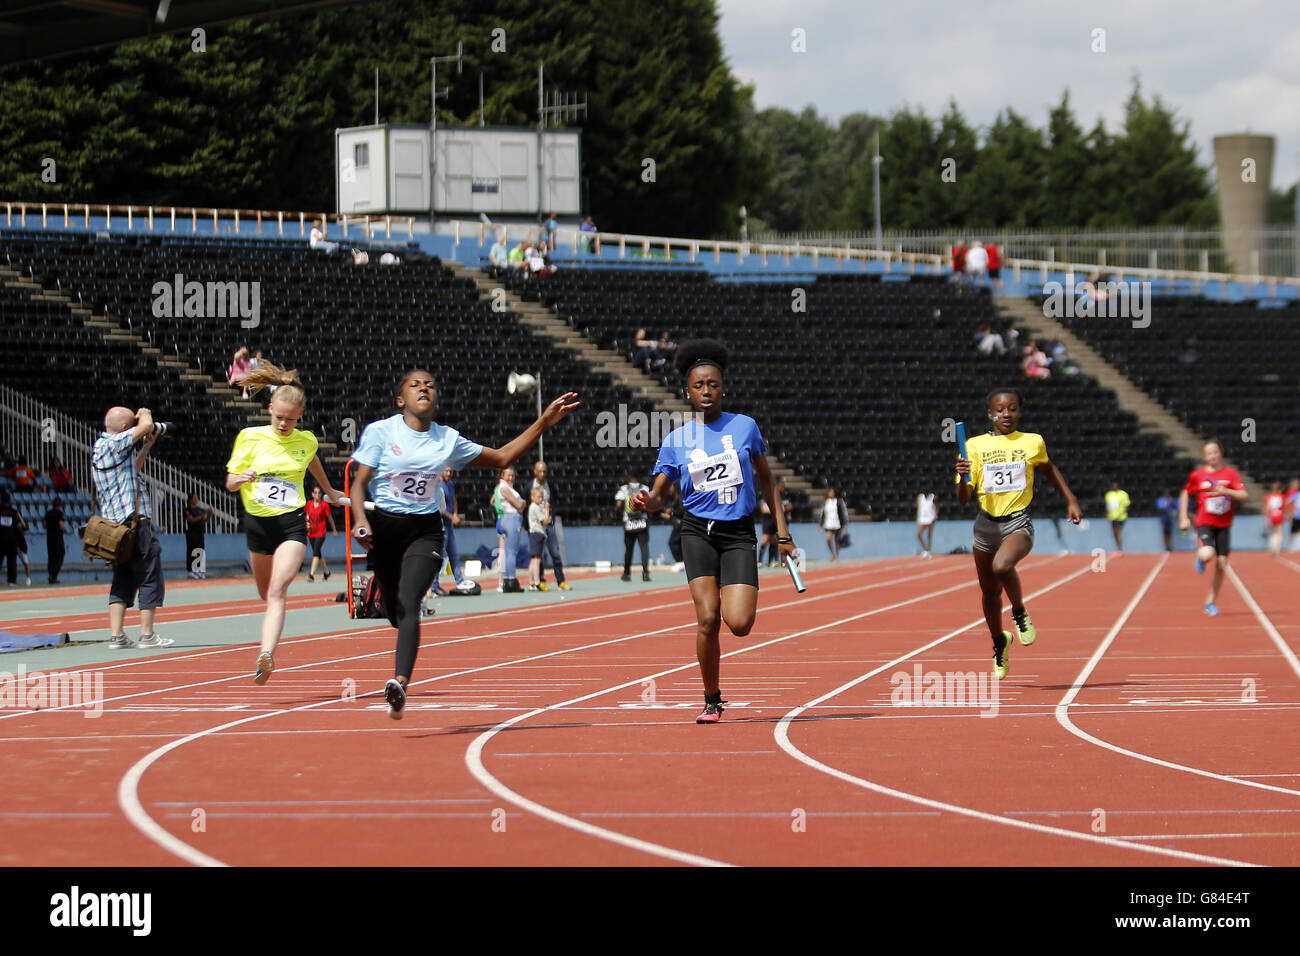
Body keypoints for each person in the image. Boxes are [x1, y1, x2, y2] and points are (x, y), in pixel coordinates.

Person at [349, 368, 578, 718]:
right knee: (395, 612)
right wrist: (362, 522)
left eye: (431, 384)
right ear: (401, 399)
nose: (424, 388)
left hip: (425, 530)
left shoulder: (447, 439)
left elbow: (502, 457)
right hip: (384, 530)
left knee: (410, 602)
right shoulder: (381, 432)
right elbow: (358, 483)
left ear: (436, 400)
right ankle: (397, 622)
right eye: (415, 385)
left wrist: (543, 422)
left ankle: (399, 684)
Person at [630, 339, 795, 723]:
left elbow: (769, 482)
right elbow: (659, 496)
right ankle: (712, 698)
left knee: (738, 624)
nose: (706, 391)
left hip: (737, 532)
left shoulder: (745, 427)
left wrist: (783, 535)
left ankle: (733, 598)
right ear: (687, 390)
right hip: (696, 532)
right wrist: (646, 502)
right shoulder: (676, 440)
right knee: (707, 619)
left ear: (724, 388)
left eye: (714, 385)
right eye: (699, 385)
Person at [225, 362, 342, 683]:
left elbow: (312, 458)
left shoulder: (306, 441)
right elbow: (230, 483)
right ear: (269, 408)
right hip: (258, 526)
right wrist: (241, 477)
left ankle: (266, 654)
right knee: (265, 592)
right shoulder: (249, 438)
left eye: (290, 419)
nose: (283, 424)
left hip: (291, 525)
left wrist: (329, 490)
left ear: (300, 415)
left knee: (277, 592)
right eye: (278, 417)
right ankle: (267, 647)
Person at [954, 387, 1082, 680]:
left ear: (1019, 412)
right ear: (990, 414)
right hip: (985, 525)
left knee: (1002, 566)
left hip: (1017, 523)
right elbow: (963, 498)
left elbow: (1049, 470)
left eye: (1011, 409)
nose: (1006, 414)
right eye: (999, 410)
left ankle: (1020, 611)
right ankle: (1000, 641)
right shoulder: (973, 446)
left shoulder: (1032, 442)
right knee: (988, 593)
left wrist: (1071, 499)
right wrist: (962, 476)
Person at [91, 406, 173, 648]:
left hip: (115, 529)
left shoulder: (101, 447)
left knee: (123, 577)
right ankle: (147, 635)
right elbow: (146, 425)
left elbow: (131, 471)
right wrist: (144, 414)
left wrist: (146, 446)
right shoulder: (115, 443)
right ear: (126, 428)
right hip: (136, 523)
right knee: (149, 576)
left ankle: (117, 636)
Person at [1178, 440, 1247, 616]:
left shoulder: (1230, 474)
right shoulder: (1197, 475)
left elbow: (1244, 495)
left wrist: (1227, 491)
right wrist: (1183, 517)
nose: (1213, 456)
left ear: (1220, 453)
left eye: (1215, 452)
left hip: (1224, 524)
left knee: (1222, 565)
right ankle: (1201, 557)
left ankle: (1210, 602)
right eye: (1209, 453)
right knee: (1207, 553)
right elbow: (1186, 493)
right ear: (1204, 456)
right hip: (1205, 522)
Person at [523, 460, 570, 590]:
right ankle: (540, 580)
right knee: (538, 555)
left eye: (545, 471)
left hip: (548, 525)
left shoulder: (551, 486)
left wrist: (552, 516)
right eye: (540, 471)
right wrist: (527, 525)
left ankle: (560, 581)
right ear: (535, 472)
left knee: (555, 553)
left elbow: (555, 501)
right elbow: (525, 506)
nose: (543, 474)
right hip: (536, 527)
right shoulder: (528, 487)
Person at [495, 467, 526, 592]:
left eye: (513, 475)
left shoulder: (507, 488)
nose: (511, 478)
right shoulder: (504, 488)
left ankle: (508, 580)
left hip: (509, 519)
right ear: (502, 475)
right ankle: (511, 580)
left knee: (508, 552)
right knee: (511, 552)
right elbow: (519, 505)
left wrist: (521, 503)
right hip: (511, 518)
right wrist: (522, 502)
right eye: (508, 475)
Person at [616, 472, 651, 582]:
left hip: (629, 523)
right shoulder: (645, 488)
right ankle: (645, 573)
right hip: (642, 522)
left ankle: (627, 573)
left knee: (629, 550)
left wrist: (622, 513)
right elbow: (650, 503)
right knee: (644, 549)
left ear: (628, 478)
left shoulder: (623, 489)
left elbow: (618, 505)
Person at [304, 484, 339, 581]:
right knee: (318, 553)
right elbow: (307, 516)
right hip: (311, 532)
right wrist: (306, 524)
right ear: (312, 494)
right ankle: (326, 572)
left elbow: (329, 518)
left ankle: (311, 574)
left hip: (321, 532)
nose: (317, 495)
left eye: (319, 493)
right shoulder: (309, 504)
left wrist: (334, 529)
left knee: (315, 552)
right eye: (315, 493)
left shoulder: (324, 505)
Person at [183, 492, 213, 579]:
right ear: (191, 499)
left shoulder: (199, 509)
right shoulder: (187, 509)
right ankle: (190, 571)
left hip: (200, 532)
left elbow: (204, 520)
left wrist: (209, 514)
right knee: (191, 551)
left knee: (200, 550)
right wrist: (204, 513)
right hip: (192, 533)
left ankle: (199, 570)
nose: (197, 499)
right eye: (195, 498)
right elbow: (191, 520)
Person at [526, 486, 549, 590]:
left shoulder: (533, 507)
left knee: (533, 559)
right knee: (537, 559)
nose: (541, 499)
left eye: (542, 497)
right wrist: (547, 510)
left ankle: (531, 582)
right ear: (532, 497)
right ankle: (537, 582)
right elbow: (544, 521)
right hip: (537, 534)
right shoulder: (535, 507)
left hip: (534, 534)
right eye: (539, 497)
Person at [661, 481, 685, 571]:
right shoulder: (673, 497)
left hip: (681, 523)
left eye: (670, 486)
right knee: (678, 543)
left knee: (673, 542)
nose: (669, 488)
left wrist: (670, 514)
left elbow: (681, 510)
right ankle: (681, 562)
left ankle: (680, 562)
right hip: (677, 523)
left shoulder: (680, 497)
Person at [0, 490, 22, 586]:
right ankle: (11, 580)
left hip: (0, 538)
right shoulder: (14, 512)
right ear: (9, 501)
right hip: (11, 539)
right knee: (12, 561)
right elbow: (19, 526)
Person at [818, 487, 847, 560]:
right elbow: (823, 514)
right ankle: (832, 553)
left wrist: (844, 524)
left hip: (837, 524)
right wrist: (820, 525)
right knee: (828, 538)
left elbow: (842, 513)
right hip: (828, 524)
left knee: (837, 540)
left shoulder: (839, 501)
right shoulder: (825, 502)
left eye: (832, 492)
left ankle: (837, 555)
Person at [44, 496, 67, 585]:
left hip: (49, 537)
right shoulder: (59, 513)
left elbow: (45, 525)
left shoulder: (48, 513)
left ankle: (51, 575)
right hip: (58, 537)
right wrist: (65, 530)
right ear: (60, 505)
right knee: (60, 555)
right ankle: (54, 575)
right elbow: (61, 524)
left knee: (51, 557)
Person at [1104, 481, 1131, 553]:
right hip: (1113, 517)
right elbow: (1108, 506)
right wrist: (1108, 515)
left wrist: (1122, 512)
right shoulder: (1108, 494)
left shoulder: (1123, 494)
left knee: (1117, 532)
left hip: (1121, 517)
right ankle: (1119, 548)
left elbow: (1127, 505)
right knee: (1115, 533)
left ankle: (1119, 548)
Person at [1264, 481, 1287, 557]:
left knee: (1273, 533)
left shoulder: (1268, 496)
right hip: (1279, 515)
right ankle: (1277, 549)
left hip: (1272, 515)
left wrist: (1267, 518)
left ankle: (1273, 547)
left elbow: (1267, 508)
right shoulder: (1281, 496)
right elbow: (1284, 507)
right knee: (1279, 532)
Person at [916, 487, 938, 557]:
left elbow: (937, 506)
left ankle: (928, 550)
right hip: (922, 519)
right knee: (919, 534)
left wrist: (935, 515)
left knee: (929, 535)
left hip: (931, 518)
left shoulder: (933, 497)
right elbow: (918, 506)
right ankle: (925, 549)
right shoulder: (919, 497)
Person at [1155, 487, 1178, 552]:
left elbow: (1176, 507)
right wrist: (1169, 503)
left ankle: (1169, 546)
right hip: (1164, 517)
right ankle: (1166, 546)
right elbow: (1161, 508)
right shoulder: (1161, 500)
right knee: (1166, 532)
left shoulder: (1171, 499)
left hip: (1170, 517)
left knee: (1169, 532)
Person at [1286, 478, 1300, 551]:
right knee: (1292, 531)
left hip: (1297, 514)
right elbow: (1288, 502)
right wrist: (1290, 512)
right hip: (1294, 515)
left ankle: (1296, 546)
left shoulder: (1297, 493)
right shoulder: (1291, 492)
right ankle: (1290, 546)